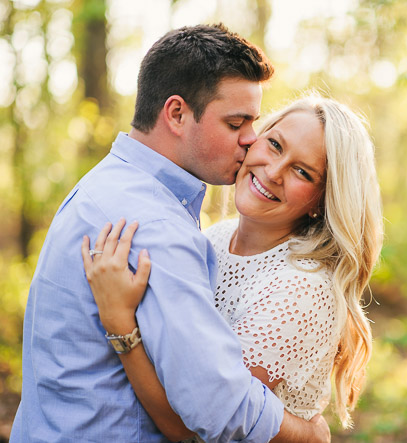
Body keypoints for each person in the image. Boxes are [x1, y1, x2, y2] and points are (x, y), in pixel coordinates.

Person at [10, 23, 330, 442]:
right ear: (177, 114)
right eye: (236, 123)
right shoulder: (154, 227)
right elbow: (217, 407)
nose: (251, 139)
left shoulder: (103, 185)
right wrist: (308, 433)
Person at [79, 95, 384, 438]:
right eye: (274, 144)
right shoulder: (215, 238)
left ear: (320, 201)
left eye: (302, 172)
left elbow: (194, 426)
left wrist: (120, 323)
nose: (273, 172)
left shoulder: (300, 289)